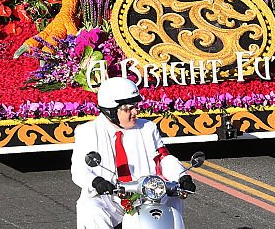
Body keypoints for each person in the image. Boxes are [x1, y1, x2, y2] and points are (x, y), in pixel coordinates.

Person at [72, 77, 192, 229]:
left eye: (135, 106)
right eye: (129, 108)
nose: (136, 112)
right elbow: (79, 170)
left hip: (146, 197)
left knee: (173, 197)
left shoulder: (147, 128)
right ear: (110, 110)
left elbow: (164, 158)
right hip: (110, 199)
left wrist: (182, 176)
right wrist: (96, 182)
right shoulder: (87, 132)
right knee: (91, 208)